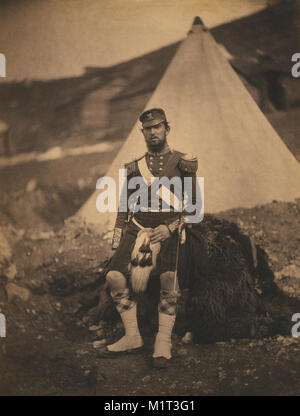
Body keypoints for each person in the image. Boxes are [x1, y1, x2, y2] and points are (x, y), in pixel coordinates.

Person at [99, 108, 201, 368]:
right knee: (113, 276)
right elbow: (124, 206)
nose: (153, 132)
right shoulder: (134, 167)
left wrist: (170, 228)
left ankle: (162, 341)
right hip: (137, 226)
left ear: (167, 128)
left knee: (169, 278)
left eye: (158, 127)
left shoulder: (183, 162)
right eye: (148, 128)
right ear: (142, 132)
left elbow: (194, 207)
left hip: (168, 228)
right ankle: (132, 335)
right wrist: (116, 238)